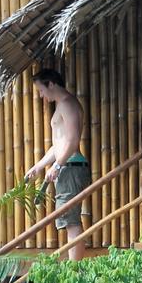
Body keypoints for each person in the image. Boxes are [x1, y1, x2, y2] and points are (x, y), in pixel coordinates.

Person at [24, 68, 89, 261]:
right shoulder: (62, 105)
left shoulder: (68, 104)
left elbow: (73, 140)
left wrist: (58, 166)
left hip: (71, 167)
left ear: (51, 83)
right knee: (69, 220)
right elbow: (58, 145)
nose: (42, 96)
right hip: (67, 166)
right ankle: (73, 268)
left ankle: (74, 271)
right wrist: (39, 166)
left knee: (71, 221)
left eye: (42, 91)